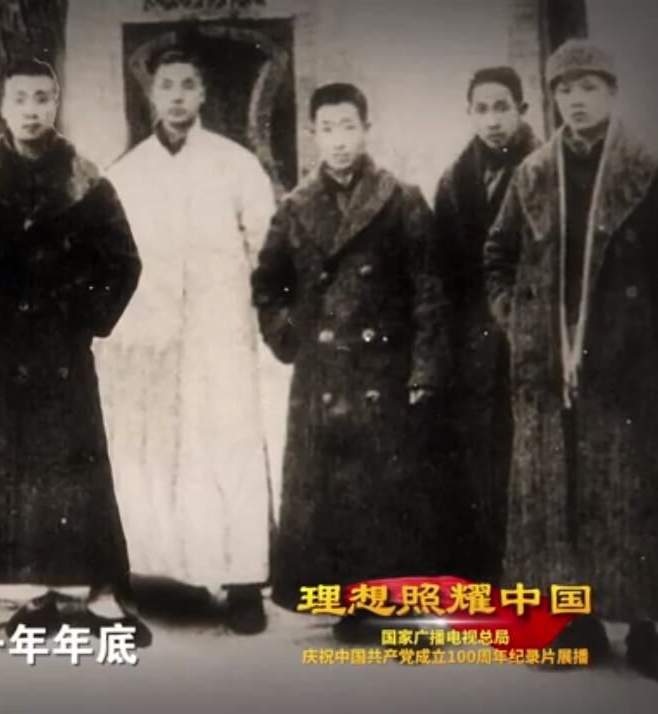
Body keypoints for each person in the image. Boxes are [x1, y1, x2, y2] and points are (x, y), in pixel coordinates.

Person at [0, 58, 147, 641]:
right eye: (20, 99)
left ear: (55, 104)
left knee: (72, 469)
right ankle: (19, 596)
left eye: (42, 98)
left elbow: (123, 262)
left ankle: (90, 592)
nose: (31, 111)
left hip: (62, 354)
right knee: (3, 472)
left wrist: (81, 314)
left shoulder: (87, 180)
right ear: (3, 107)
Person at [484, 39, 658, 680]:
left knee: (630, 492)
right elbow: (497, 255)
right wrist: (518, 321)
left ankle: (645, 628)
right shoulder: (533, 173)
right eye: (564, 89)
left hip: (626, 362)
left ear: (612, 93)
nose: (576, 101)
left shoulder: (648, 169)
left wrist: (649, 331)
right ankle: (576, 621)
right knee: (558, 496)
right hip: (548, 366)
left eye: (588, 87)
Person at [251, 83, 450, 643]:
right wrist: (291, 338)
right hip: (323, 375)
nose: (338, 141)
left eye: (348, 127)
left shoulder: (401, 200)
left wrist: (425, 369)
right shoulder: (294, 208)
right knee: (331, 497)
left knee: (388, 494)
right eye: (327, 129)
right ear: (313, 135)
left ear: (366, 130)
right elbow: (268, 285)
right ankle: (346, 606)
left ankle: (395, 610)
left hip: (384, 372)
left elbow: (430, 291)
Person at [99, 47, 276, 634]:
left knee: (229, 449)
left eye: (187, 85)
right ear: (152, 95)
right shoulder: (127, 173)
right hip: (150, 341)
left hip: (220, 335)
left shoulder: (235, 165)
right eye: (167, 85)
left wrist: (252, 317)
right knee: (157, 454)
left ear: (202, 94)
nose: (176, 96)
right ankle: (167, 577)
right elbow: (110, 258)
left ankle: (244, 582)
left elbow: (266, 249)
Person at [432, 66, 540, 583]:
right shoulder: (455, 181)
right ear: (468, 113)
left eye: (503, 107)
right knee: (481, 458)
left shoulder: (544, 169)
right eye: (482, 109)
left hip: (530, 332)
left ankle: (535, 574)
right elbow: (442, 272)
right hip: (473, 344)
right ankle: (487, 573)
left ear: (522, 110)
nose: (493, 120)